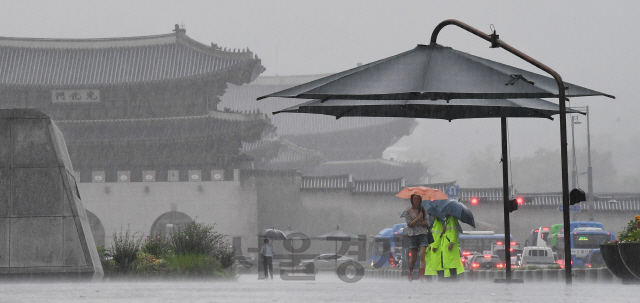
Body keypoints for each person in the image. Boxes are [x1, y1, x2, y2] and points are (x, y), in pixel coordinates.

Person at [404, 194, 431, 282]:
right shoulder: (408, 211)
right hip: (413, 235)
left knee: (422, 255)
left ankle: (422, 276)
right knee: (414, 258)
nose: (416, 200)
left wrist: (416, 222)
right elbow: (409, 224)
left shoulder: (423, 210)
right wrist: (419, 218)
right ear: (412, 200)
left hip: (423, 234)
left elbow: (427, 223)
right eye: (415, 198)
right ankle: (410, 272)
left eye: (418, 198)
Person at [440, 215, 465, 280]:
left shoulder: (452, 219)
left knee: (452, 264)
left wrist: (451, 242)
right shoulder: (447, 219)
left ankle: (454, 279)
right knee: (449, 263)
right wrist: (444, 230)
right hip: (446, 244)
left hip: (450, 244)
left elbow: (453, 232)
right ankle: (452, 278)